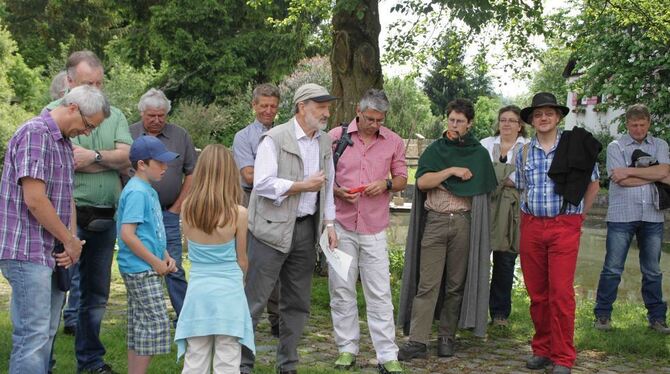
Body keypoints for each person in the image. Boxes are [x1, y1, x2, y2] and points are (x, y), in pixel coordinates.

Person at [0, 85, 109, 374]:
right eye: (87, 125)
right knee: (32, 337)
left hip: (54, 251)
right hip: (26, 250)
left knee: (46, 333)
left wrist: (72, 242)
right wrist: (69, 240)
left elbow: (66, 198)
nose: (87, 133)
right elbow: (34, 200)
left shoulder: (63, 143)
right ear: (73, 107)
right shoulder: (35, 133)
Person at [241, 83, 338, 374]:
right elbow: (262, 184)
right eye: (320, 107)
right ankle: (241, 364)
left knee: (297, 303)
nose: (326, 113)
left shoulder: (323, 142)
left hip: (306, 230)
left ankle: (288, 365)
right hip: (270, 230)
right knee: (255, 301)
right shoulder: (274, 138)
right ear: (301, 107)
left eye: (327, 107)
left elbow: (329, 186)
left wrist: (330, 223)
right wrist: (300, 186)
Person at [46, 50, 133, 374]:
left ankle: (91, 362)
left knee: (96, 296)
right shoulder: (51, 115)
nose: (95, 90)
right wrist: (106, 162)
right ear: (70, 83)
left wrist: (92, 157)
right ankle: (44, 363)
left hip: (104, 216)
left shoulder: (116, 115)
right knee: (55, 294)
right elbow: (63, 164)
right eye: (87, 84)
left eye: (99, 83)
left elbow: (127, 157)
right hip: (64, 217)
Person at [398, 98, 497, 360]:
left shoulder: (478, 154)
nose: (454, 125)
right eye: (451, 119)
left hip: (463, 223)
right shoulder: (435, 150)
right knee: (428, 284)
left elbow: (481, 187)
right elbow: (421, 183)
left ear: (469, 124)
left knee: (455, 285)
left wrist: (445, 181)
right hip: (436, 221)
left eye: (460, 121)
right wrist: (451, 171)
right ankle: (418, 341)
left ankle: (446, 337)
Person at [515, 92, 601, 374]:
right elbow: (521, 188)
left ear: (558, 117)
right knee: (538, 293)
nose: (543, 118)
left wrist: (579, 216)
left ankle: (563, 356)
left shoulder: (575, 145)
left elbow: (594, 184)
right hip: (532, 224)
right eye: (537, 114)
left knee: (561, 293)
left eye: (548, 113)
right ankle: (542, 349)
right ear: (531, 120)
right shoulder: (523, 150)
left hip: (564, 224)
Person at [327, 89, 406, 373]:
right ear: (358, 112)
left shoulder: (393, 141)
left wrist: (385, 185)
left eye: (380, 120)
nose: (375, 124)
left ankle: (387, 355)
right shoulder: (335, 138)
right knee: (341, 289)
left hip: (374, 227)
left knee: (380, 292)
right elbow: (323, 178)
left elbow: (401, 178)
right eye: (370, 119)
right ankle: (346, 349)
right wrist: (337, 191)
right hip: (339, 225)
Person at [175, 144, 255, 373]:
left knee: (196, 356)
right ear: (230, 174)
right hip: (229, 290)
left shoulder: (188, 208)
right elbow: (242, 260)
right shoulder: (238, 213)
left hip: (199, 290)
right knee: (228, 356)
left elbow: (190, 248)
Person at [593, 104, 670, 333]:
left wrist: (630, 170)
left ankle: (657, 319)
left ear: (649, 123)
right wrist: (654, 175)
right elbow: (620, 180)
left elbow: (665, 172)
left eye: (642, 125)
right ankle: (602, 316)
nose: (638, 129)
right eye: (634, 125)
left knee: (653, 270)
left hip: (653, 215)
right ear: (627, 124)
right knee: (612, 268)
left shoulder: (661, 145)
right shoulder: (616, 146)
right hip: (621, 215)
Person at [129, 88, 197, 321]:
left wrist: (177, 206)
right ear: (142, 113)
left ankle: (185, 318)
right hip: (138, 214)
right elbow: (119, 173)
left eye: (162, 116)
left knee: (174, 266)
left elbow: (192, 172)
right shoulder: (128, 135)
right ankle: (143, 315)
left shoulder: (180, 136)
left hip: (168, 212)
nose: (157, 120)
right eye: (151, 116)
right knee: (140, 266)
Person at [117, 136, 179, 374]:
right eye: (160, 163)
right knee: (155, 323)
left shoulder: (148, 190)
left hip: (148, 265)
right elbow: (128, 235)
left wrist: (164, 255)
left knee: (140, 325)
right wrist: (155, 262)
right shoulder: (136, 192)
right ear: (142, 164)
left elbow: (151, 231)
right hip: (141, 269)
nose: (165, 167)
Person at [232, 83, 281, 337]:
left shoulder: (286, 134)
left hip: (281, 202)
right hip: (252, 201)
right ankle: (246, 317)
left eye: (273, 106)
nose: (268, 111)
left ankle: (277, 319)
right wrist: (281, 176)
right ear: (254, 106)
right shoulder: (243, 137)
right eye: (264, 106)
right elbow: (249, 176)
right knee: (251, 260)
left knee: (278, 261)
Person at [479, 105, 528, 327]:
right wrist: (506, 176)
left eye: (512, 120)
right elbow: (479, 172)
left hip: (512, 209)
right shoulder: (485, 144)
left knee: (505, 260)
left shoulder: (528, 147)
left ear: (520, 125)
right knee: (478, 259)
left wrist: (504, 177)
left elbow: (530, 176)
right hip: (484, 205)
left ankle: (499, 313)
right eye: (503, 120)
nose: (506, 124)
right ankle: (474, 311)